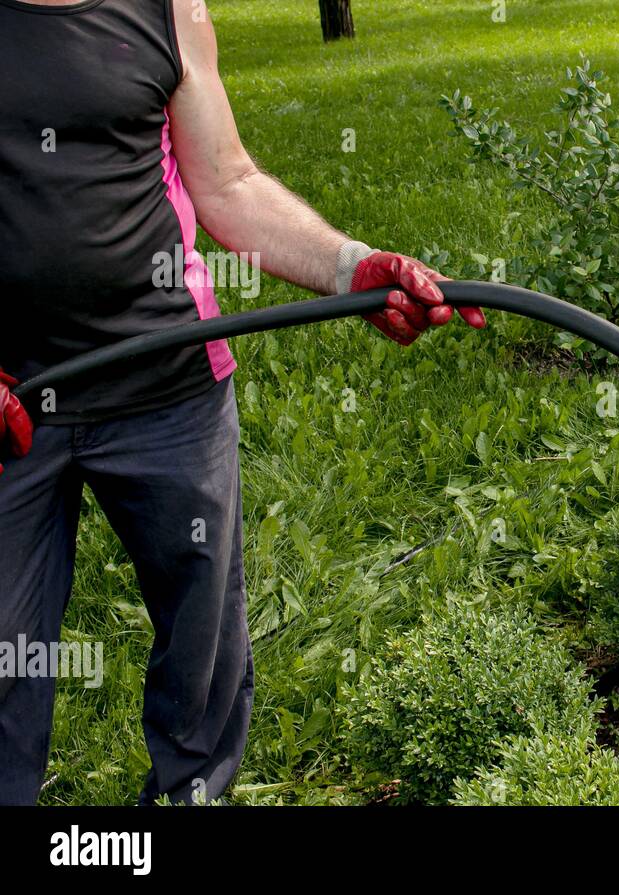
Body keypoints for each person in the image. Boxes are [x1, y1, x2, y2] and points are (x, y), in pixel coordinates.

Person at [0, 0, 483, 805]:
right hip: (14, 403)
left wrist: (352, 266)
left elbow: (226, 180)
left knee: (203, 645)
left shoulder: (167, 8)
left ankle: (190, 798)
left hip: (169, 384)